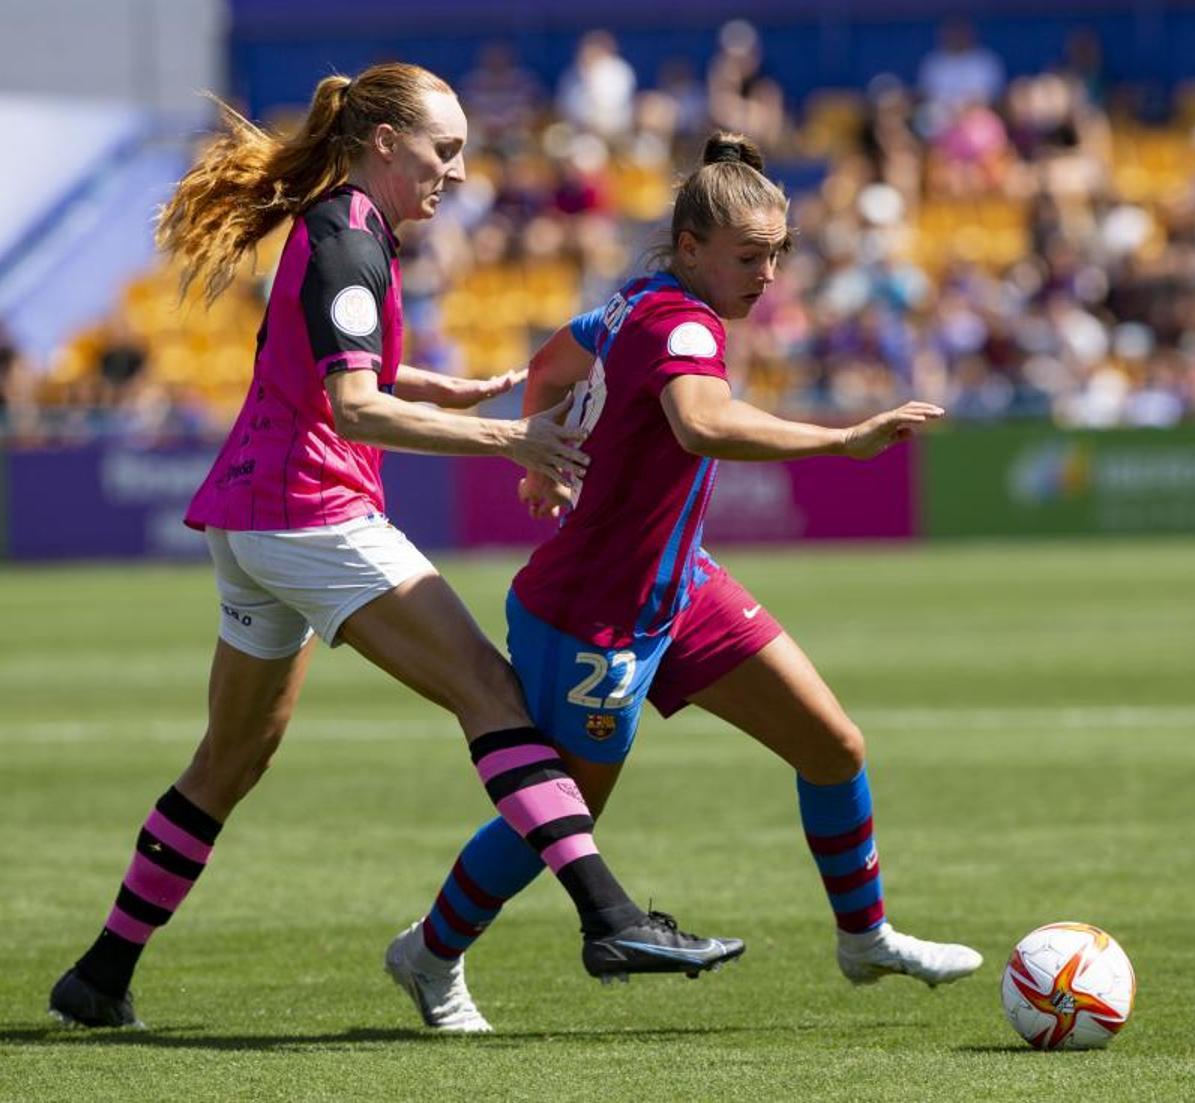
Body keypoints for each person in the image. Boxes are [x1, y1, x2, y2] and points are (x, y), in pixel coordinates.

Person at [47, 63, 742, 1031]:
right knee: (490, 693)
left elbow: (320, 360)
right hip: (308, 513)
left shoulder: (348, 228)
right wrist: (509, 436)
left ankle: (99, 974)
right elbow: (353, 406)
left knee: (230, 758)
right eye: (443, 150)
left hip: (254, 520)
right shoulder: (347, 236)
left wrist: (429, 384)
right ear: (384, 143)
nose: (456, 171)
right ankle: (609, 916)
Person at [387, 132, 983, 1032]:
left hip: (681, 591)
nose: (768, 275)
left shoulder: (635, 302)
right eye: (750, 257)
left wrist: (541, 454)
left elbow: (551, 364)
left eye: (778, 254)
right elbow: (702, 424)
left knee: (833, 746)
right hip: (594, 612)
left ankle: (865, 938)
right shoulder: (684, 324)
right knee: (562, 815)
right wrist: (841, 439)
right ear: (692, 247)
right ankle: (429, 953)